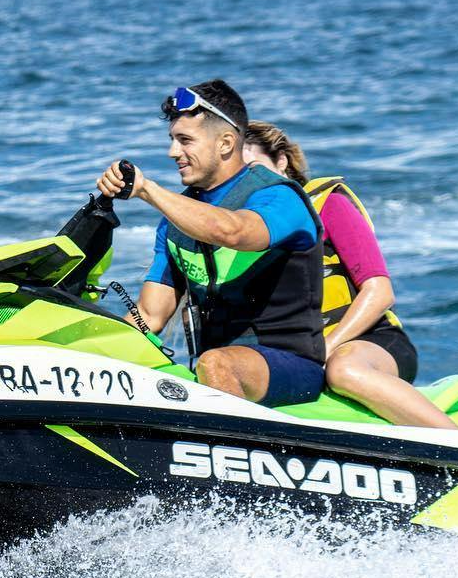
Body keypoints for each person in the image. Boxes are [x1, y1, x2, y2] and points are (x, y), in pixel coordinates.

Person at [96, 80, 326, 407]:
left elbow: (234, 232)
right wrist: (84, 349)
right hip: (216, 366)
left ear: (226, 143)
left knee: (215, 362)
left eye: (185, 140)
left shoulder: (279, 197)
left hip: (289, 363)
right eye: (172, 140)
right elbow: (150, 315)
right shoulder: (176, 222)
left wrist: (147, 190)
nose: (173, 152)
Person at [242, 120, 458, 430]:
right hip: (297, 357)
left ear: (282, 161)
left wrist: (326, 349)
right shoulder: (243, 231)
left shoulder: (327, 205)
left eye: (256, 169)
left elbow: (380, 292)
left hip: (368, 343)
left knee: (344, 370)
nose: (253, 183)